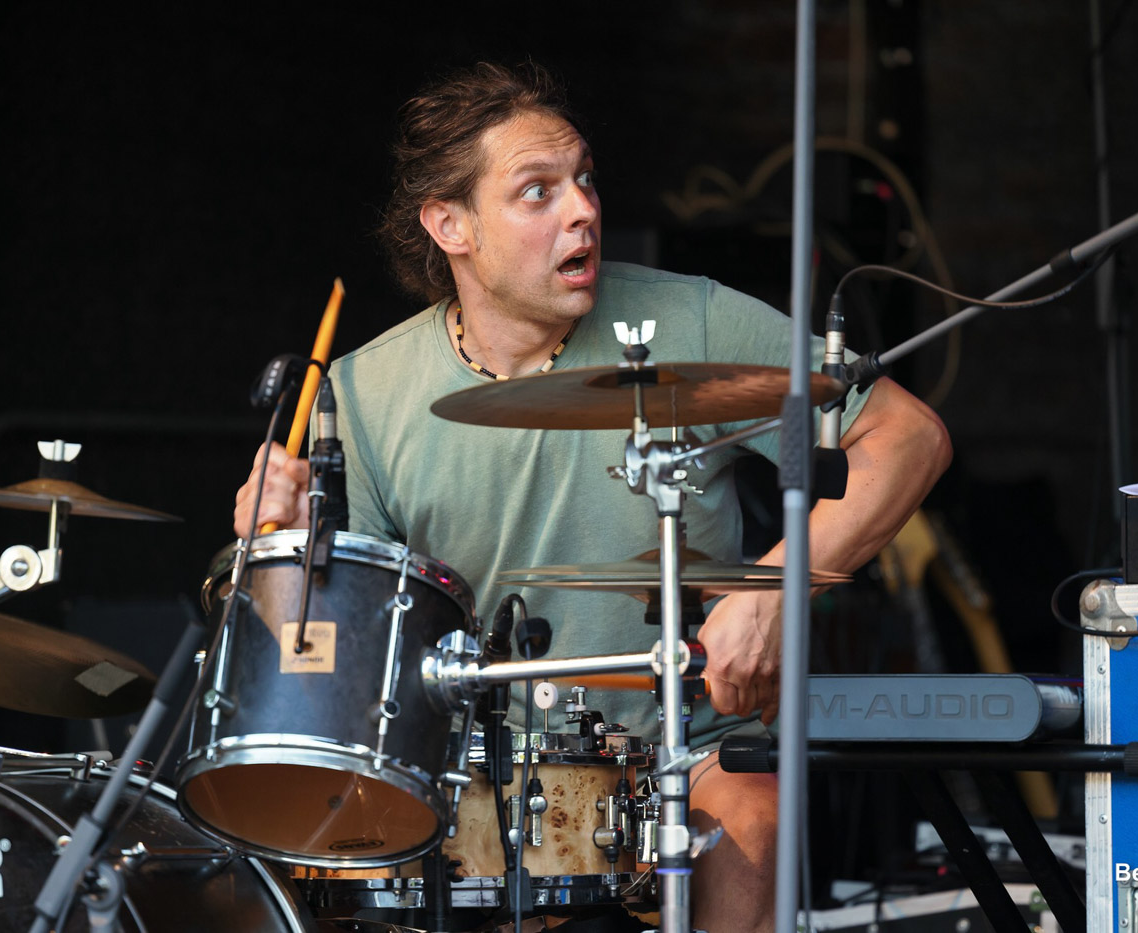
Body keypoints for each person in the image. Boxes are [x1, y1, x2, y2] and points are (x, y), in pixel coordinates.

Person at [234, 62, 950, 933]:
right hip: (474, 777)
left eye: (585, 180)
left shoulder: (694, 325)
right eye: (537, 191)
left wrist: (778, 586)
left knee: (751, 824)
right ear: (450, 225)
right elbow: (355, 671)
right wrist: (283, 555)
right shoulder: (364, 393)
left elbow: (906, 437)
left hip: (685, 755)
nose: (582, 209)